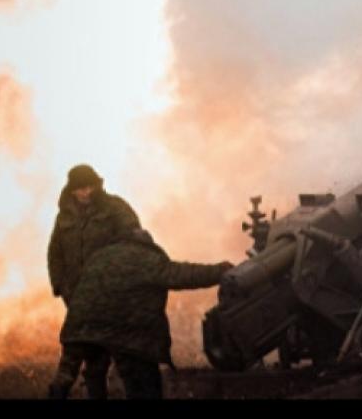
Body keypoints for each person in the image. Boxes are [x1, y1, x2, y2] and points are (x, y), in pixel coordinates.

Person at [60, 228, 233, 399]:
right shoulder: (144, 258)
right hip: (126, 334)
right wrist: (220, 271)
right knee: (144, 386)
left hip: (81, 328)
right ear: (146, 244)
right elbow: (180, 275)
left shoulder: (99, 257)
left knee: (77, 376)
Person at [47, 164, 142, 399]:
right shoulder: (64, 217)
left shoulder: (115, 208)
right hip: (77, 298)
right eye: (80, 188)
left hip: (111, 297)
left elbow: (134, 242)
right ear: (72, 190)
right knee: (83, 356)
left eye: (89, 187)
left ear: (96, 185)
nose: (85, 192)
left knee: (124, 357)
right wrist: (60, 286)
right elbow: (55, 253)